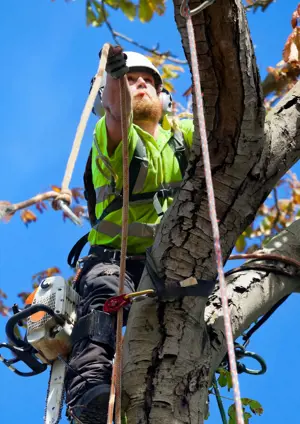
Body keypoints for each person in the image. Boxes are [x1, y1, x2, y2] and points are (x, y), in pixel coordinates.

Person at [65, 45, 194, 424]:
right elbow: (118, 113)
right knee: (105, 298)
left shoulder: (182, 137)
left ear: (165, 98)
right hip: (113, 260)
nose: (140, 85)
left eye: (149, 81)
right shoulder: (109, 136)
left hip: (173, 265)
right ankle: (89, 391)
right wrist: (115, 77)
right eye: (131, 80)